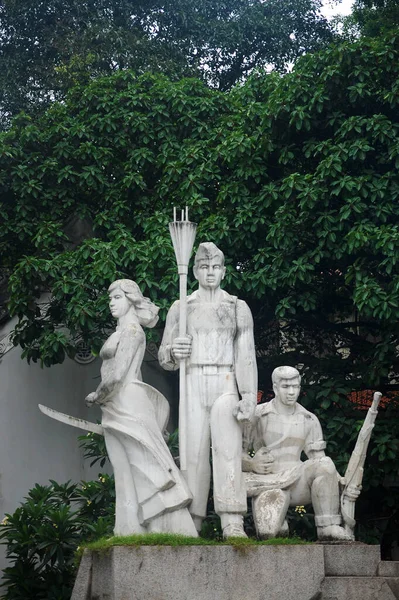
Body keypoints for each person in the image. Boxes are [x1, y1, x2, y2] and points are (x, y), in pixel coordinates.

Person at [159, 242, 257, 538]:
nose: (210, 272)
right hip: (192, 381)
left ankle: (232, 520)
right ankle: (193, 520)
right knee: (193, 454)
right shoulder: (181, 306)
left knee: (228, 450)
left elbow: (246, 354)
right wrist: (175, 350)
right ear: (195, 271)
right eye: (204, 267)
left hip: (226, 381)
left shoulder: (237, 307)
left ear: (224, 271)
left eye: (215, 267)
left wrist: (250, 395)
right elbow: (164, 356)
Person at [85, 279, 197, 537]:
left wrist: (96, 395)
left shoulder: (133, 332)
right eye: (110, 298)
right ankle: (127, 528)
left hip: (127, 401)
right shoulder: (120, 332)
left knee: (145, 465)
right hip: (114, 403)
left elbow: (116, 376)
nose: (111, 303)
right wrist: (103, 398)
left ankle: (166, 525)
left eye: (117, 297)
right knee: (123, 469)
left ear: (131, 299)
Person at [242, 366, 352, 540]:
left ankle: (327, 526)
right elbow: (235, 454)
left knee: (325, 464)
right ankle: (279, 521)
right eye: (286, 387)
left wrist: (340, 479)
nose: (292, 392)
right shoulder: (258, 415)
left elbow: (319, 459)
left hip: (299, 480)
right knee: (268, 534)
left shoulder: (308, 419)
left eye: (296, 386)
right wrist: (252, 464)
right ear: (275, 387)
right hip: (267, 480)